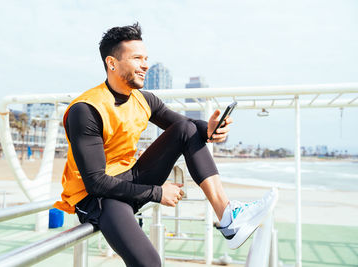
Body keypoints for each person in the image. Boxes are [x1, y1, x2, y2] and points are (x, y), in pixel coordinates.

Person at [54, 23, 278, 267]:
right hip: (96, 197)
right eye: (137, 58)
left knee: (186, 129)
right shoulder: (86, 109)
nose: (145, 65)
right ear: (112, 63)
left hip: (130, 178)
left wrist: (211, 129)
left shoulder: (143, 99)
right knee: (150, 263)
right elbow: (96, 182)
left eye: (146, 58)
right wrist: (158, 193)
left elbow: (187, 126)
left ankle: (227, 216)